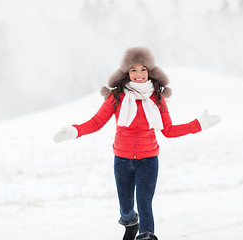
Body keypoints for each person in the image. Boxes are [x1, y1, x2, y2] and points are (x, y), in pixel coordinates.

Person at [53, 47, 221, 240]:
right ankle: (130, 223)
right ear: (127, 72)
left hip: (148, 160)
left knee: (144, 203)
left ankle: (146, 235)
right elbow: (97, 122)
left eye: (143, 69)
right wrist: (74, 131)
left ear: (150, 71)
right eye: (134, 70)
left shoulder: (157, 97)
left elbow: (169, 130)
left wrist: (199, 124)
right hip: (122, 160)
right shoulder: (116, 97)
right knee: (125, 207)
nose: (139, 74)